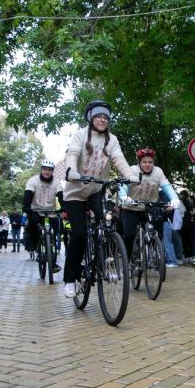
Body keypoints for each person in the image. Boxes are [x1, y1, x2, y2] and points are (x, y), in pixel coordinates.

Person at [62, 100, 139, 298]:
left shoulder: (111, 139)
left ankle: (105, 257)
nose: (102, 119)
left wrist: (130, 174)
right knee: (78, 233)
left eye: (105, 117)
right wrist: (70, 171)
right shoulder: (80, 135)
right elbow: (72, 153)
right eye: (98, 116)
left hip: (97, 188)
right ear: (91, 118)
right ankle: (70, 278)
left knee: (108, 222)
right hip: (76, 192)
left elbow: (119, 158)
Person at [120, 147, 181, 269]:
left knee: (158, 229)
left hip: (149, 206)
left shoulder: (158, 172)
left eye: (150, 162)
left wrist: (174, 198)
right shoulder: (132, 170)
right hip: (131, 207)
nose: (147, 164)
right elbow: (123, 185)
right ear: (139, 162)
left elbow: (166, 186)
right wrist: (123, 196)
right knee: (129, 235)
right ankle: (127, 262)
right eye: (144, 162)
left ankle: (155, 253)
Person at [23, 159, 64, 273]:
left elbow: (61, 196)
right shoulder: (33, 181)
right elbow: (28, 195)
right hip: (36, 211)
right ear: (41, 170)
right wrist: (26, 207)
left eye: (49, 170)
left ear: (52, 172)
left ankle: (53, 261)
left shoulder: (56, 183)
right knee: (33, 225)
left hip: (50, 212)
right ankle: (36, 247)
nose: (47, 172)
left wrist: (64, 206)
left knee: (54, 233)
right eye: (45, 169)